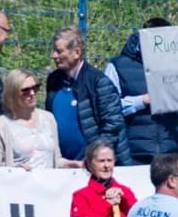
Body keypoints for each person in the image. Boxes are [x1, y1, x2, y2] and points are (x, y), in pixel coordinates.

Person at [46, 27, 127, 166]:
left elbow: (113, 124)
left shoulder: (98, 83)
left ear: (76, 52)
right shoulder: (53, 81)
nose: (54, 56)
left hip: (92, 167)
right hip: (63, 167)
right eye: (54, 51)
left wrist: (94, 158)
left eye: (59, 51)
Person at [102, 19, 178, 162]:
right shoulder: (118, 66)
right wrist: (142, 101)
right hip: (133, 154)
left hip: (171, 151)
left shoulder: (177, 65)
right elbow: (108, 108)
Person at [0, 68, 60, 170]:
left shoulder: (48, 118)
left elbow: (56, 159)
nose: (32, 93)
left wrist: (73, 164)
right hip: (18, 184)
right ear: (12, 93)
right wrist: (15, 169)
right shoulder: (0, 125)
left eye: (35, 87)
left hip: (48, 184)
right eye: (25, 90)